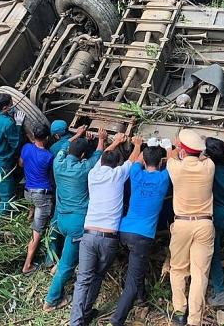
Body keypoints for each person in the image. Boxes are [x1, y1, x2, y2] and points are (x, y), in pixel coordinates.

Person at [69, 133, 134, 326]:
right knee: (97, 276)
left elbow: (104, 155)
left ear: (102, 162)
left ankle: (77, 321)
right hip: (108, 238)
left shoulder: (93, 174)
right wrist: (137, 144)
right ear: (115, 165)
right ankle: (87, 311)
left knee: (83, 280)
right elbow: (133, 159)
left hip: (88, 236)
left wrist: (113, 142)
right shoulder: (118, 174)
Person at [107, 141, 171, 326]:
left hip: (124, 231)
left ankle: (141, 298)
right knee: (132, 281)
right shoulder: (163, 178)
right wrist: (167, 148)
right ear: (160, 163)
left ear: (144, 162)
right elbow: (173, 161)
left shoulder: (135, 173)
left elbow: (135, 158)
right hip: (142, 237)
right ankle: (117, 321)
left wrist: (143, 146)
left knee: (136, 267)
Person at [43, 131, 105, 313]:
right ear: (83, 156)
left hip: (61, 219)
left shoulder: (58, 163)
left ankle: (57, 266)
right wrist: (101, 139)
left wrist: (78, 134)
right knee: (68, 265)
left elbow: (63, 147)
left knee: (68, 254)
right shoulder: (84, 168)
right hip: (77, 223)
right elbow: (99, 156)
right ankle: (51, 300)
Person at [166, 129, 215, 326]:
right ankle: (195, 319)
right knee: (199, 274)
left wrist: (176, 145)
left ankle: (179, 311)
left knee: (177, 269)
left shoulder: (175, 168)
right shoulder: (209, 167)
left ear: (184, 152)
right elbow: (204, 156)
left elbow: (171, 155)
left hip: (182, 224)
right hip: (204, 223)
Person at [20, 123, 55, 275]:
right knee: (38, 231)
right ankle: (27, 265)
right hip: (42, 195)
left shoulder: (26, 148)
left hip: (28, 192)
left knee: (32, 210)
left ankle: (27, 221)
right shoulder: (48, 156)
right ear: (47, 138)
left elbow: (21, 163)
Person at [205, 137, 224, 310]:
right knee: (215, 248)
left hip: (215, 216)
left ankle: (220, 293)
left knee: (213, 254)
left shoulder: (209, 170)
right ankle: (214, 279)